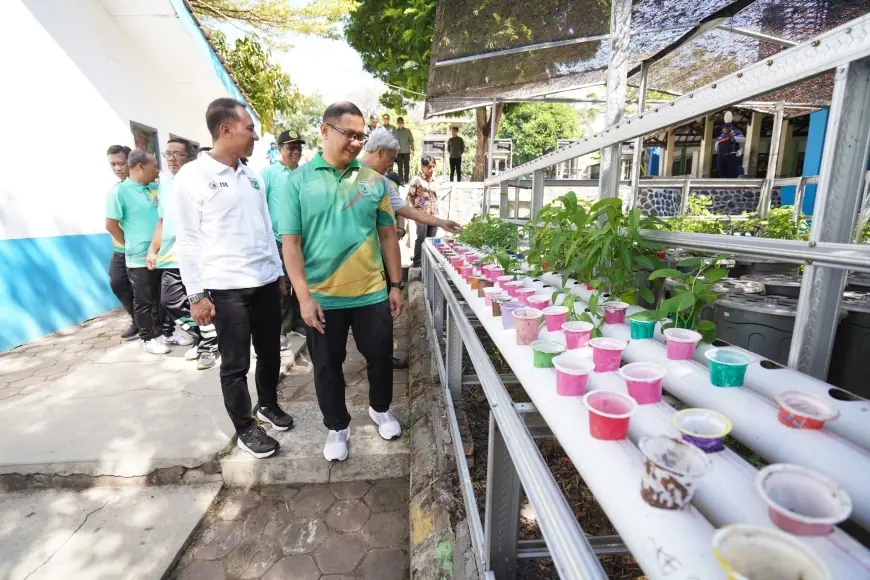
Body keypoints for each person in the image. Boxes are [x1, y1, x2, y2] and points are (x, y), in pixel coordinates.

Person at [279, 102, 404, 463]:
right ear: (324, 131)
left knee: (379, 357)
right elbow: (291, 245)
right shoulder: (298, 182)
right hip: (322, 299)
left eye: (359, 136)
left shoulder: (373, 181)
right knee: (326, 366)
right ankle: (337, 426)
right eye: (347, 133)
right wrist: (303, 297)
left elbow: (387, 237)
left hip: (370, 294)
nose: (354, 142)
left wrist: (395, 285)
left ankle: (380, 409)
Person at [175, 98, 294, 459]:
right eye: (249, 128)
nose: (255, 135)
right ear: (225, 130)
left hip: (263, 281)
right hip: (226, 289)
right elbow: (187, 239)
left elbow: (265, 227)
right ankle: (245, 428)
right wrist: (196, 296)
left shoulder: (251, 175)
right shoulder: (192, 177)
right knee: (236, 362)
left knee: (271, 351)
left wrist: (278, 273)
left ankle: (268, 405)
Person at [359, 128, 463, 370]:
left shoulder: (382, 183)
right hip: (346, 270)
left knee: (379, 319)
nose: (393, 165)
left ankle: (381, 360)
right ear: (380, 152)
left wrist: (440, 222)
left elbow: (407, 210)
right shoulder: (345, 175)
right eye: (392, 159)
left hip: (375, 263)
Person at [145, 138, 219, 370]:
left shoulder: (201, 181)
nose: (172, 159)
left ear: (190, 157)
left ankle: (207, 345)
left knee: (201, 301)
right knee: (170, 301)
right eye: (167, 154)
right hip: (170, 257)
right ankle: (209, 336)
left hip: (197, 257)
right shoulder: (165, 185)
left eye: (178, 154)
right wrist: (152, 249)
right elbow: (162, 220)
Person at [105, 150, 166, 354]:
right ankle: (147, 338)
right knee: (143, 300)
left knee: (163, 297)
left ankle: (167, 332)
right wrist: (129, 243)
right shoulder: (119, 192)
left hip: (162, 254)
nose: (158, 169)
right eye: (154, 165)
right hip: (138, 257)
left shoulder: (156, 188)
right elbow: (111, 224)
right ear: (140, 166)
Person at [261, 130, 306, 348]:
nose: (295, 151)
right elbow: (259, 206)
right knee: (281, 287)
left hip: (302, 239)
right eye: (291, 147)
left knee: (300, 282)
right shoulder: (269, 174)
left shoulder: (307, 173)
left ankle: (299, 323)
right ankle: (279, 330)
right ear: (280, 149)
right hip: (278, 240)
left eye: (298, 147)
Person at [105, 145, 138, 340]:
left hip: (145, 249)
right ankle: (137, 320)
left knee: (149, 289)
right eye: (113, 165)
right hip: (122, 248)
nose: (117, 168)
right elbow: (112, 224)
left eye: (121, 163)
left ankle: (156, 325)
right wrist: (125, 245)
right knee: (118, 282)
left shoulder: (147, 187)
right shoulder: (116, 191)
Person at [408, 155, 440, 267]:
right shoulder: (416, 180)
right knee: (421, 238)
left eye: (433, 167)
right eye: (429, 167)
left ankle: (429, 263)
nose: (431, 170)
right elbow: (410, 196)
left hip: (433, 215)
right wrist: (416, 210)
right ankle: (417, 262)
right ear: (423, 166)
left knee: (431, 240)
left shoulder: (434, 180)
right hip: (421, 214)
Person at [716, 111, 745, 179]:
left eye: (728, 127)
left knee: (732, 174)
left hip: (732, 156)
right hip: (722, 157)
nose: (726, 128)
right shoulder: (720, 137)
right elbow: (716, 148)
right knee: (721, 173)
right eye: (725, 127)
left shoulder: (736, 133)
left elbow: (743, 139)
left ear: (731, 127)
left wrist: (733, 137)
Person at [394, 117, 414, 185]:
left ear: (403, 123)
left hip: (406, 151)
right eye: (399, 123)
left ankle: (406, 179)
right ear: (397, 123)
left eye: (401, 123)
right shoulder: (395, 131)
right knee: (399, 167)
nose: (400, 124)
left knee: (406, 166)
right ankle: (401, 180)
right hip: (398, 152)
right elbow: (394, 141)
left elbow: (411, 140)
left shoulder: (407, 131)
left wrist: (413, 150)